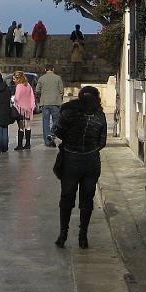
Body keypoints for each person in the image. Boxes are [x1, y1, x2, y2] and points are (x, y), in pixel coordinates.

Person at [52, 86, 107, 249]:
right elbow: (102, 142)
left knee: (67, 197)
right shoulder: (100, 115)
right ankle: (83, 236)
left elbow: (59, 132)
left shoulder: (69, 112)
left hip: (71, 160)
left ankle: (63, 234)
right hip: (91, 161)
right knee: (87, 199)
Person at [36, 64, 65, 147]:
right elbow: (61, 90)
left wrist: (41, 97)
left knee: (46, 122)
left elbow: (37, 90)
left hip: (45, 103)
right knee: (56, 121)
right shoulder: (58, 78)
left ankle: (47, 141)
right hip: (55, 102)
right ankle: (52, 134)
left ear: (45, 69)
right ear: (53, 69)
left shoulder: (41, 78)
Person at [12, 71, 36, 150]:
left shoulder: (19, 86)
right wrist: (32, 106)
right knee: (28, 127)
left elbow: (17, 98)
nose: (13, 80)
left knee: (21, 127)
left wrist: (13, 99)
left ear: (18, 79)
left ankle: (20, 145)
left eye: (14, 79)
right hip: (28, 109)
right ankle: (28, 144)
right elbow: (32, 96)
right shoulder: (28, 85)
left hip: (20, 109)